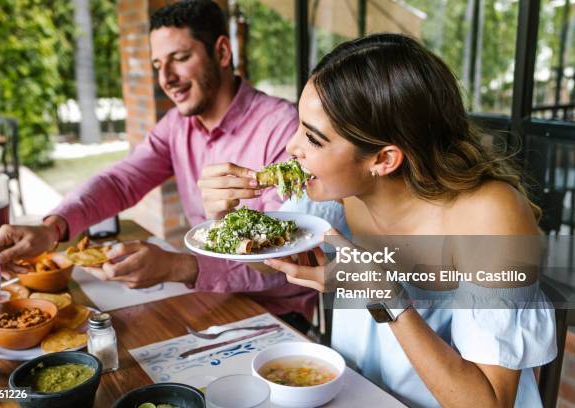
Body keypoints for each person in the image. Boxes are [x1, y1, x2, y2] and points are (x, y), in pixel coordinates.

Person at [216, 34, 557, 407]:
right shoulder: (340, 189)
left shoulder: (490, 216)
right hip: (361, 393)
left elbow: (487, 403)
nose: (291, 148)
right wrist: (225, 217)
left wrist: (383, 296)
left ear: (384, 160)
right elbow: (272, 259)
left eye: (313, 139)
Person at [0, 0, 316, 331]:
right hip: (206, 299)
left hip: (277, 316)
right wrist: (52, 228)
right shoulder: (176, 125)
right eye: (158, 65)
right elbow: (122, 181)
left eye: (180, 58)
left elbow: (288, 264)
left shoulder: (283, 129)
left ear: (223, 52)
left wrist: (178, 267)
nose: (166, 79)